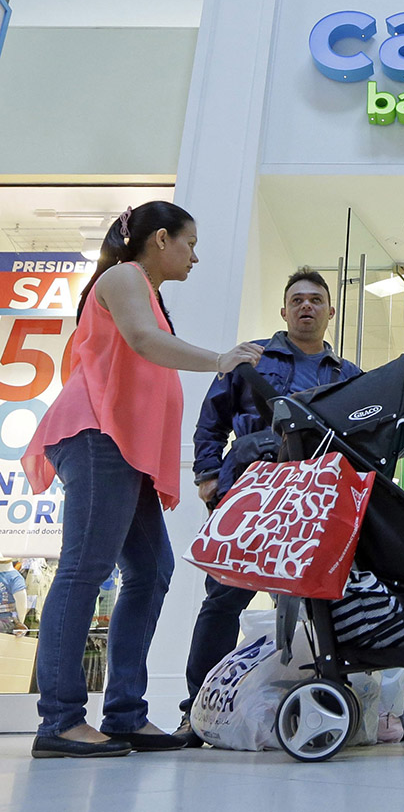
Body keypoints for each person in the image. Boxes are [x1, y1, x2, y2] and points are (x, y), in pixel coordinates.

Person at [20, 201, 263, 758]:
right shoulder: (124, 276)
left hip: (123, 447)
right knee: (85, 569)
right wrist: (221, 359)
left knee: (151, 571)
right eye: (189, 243)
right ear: (160, 239)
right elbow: (143, 341)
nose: (195, 257)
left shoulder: (145, 289)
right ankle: (59, 720)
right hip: (97, 435)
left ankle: (125, 714)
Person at [176, 268, 360, 746]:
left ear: (330, 311)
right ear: (284, 311)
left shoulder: (348, 376)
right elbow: (211, 421)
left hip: (312, 504)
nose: (306, 306)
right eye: (297, 300)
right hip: (250, 495)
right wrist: (208, 476)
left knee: (320, 605)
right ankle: (196, 710)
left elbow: (362, 443)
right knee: (224, 599)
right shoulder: (249, 360)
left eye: (315, 300)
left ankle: (323, 705)